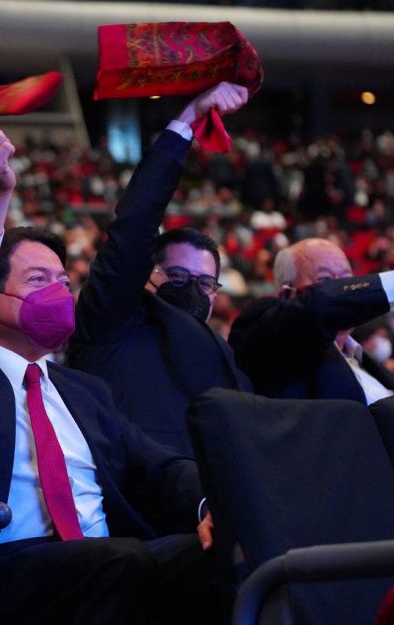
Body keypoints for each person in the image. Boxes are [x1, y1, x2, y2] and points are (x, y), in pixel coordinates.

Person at [0, 119, 223, 625]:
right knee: (122, 559)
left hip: (103, 562)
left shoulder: (83, 391)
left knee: (224, 551)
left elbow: (155, 467)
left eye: (63, 282)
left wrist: (212, 505)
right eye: (38, 280)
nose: (59, 294)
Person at [68, 83, 252, 455]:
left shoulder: (226, 357)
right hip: (128, 502)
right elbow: (135, 226)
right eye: (178, 277)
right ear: (147, 276)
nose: (191, 290)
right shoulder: (113, 324)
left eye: (203, 282)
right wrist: (186, 121)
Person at [229, 237, 394, 402]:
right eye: (326, 280)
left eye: (346, 279)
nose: (342, 288)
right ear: (287, 294)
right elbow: (319, 305)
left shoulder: (365, 361)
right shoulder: (266, 324)